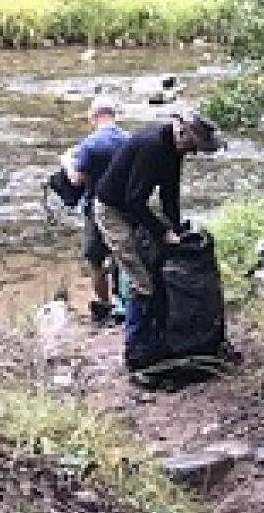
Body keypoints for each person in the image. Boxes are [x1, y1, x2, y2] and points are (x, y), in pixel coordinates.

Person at [91, 110, 224, 368]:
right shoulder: (152, 147)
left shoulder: (174, 149)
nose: (194, 152)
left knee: (155, 269)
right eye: (193, 146)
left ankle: (158, 337)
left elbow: (169, 193)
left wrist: (176, 228)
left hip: (131, 208)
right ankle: (136, 351)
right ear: (182, 133)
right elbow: (134, 199)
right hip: (112, 211)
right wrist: (163, 233)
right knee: (142, 281)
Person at [61, 96, 130, 326]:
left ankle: (105, 305)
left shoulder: (89, 144)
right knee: (124, 256)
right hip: (126, 208)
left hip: (96, 209)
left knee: (95, 259)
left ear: (93, 116)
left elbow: (76, 179)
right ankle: (125, 303)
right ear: (114, 115)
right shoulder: (129, 140)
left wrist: (67, 161)